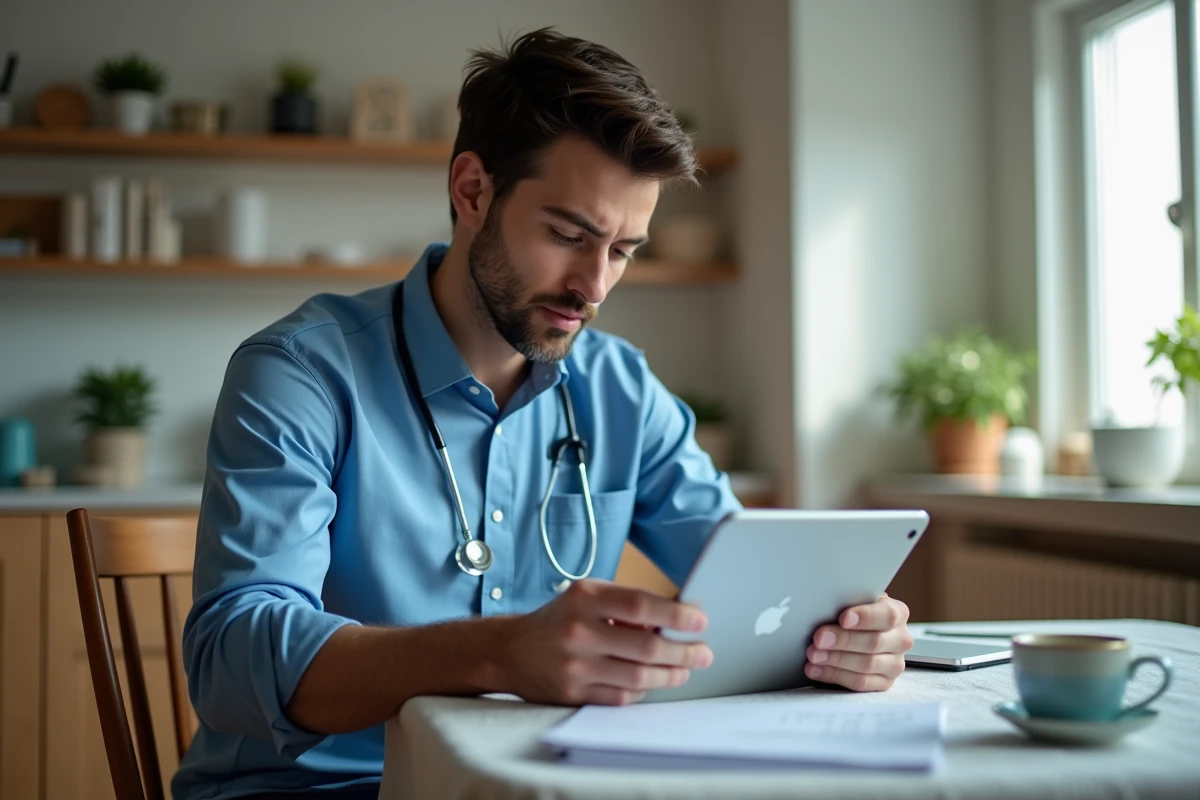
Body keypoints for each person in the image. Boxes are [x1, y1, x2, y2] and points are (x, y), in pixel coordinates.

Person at [173, 28, 914, 800]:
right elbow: (230, 662)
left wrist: (851, 634)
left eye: (624, 250)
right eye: (569, 235)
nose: (593, 285)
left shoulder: (619, 389)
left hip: (543, 781)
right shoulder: (300, 373)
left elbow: (760, 589)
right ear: (471, 191)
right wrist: (494, 654)